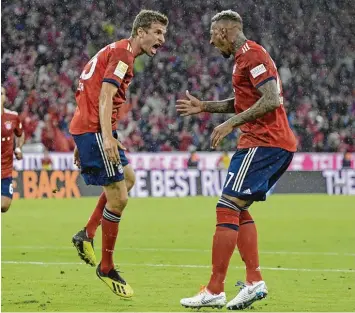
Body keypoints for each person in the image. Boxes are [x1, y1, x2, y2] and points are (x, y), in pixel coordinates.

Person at [176, 10, 297, 310]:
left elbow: (271, 99)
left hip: (264, 142)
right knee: (237, 209)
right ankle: (254, 281)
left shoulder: (251, 55)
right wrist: (205, 106)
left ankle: (216, 289)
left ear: (226, 31)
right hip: (265, 143)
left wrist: (231, 123)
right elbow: (243, 101)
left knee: (226, 206)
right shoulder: (244, 58)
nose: (210, 40)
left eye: (213, 34)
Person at [69, 10, 168, 298]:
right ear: (140, 32)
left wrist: (84, 137)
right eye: (158, 33)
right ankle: (107, 266)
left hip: (90, 129)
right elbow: (104, 95)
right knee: (120, 198)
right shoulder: (124, 56)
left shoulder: (117, 51)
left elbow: (89, 91)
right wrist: (106, 137)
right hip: (95, 131)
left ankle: (86, 233)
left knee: (129, 179)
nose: (162, 39)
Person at [1, 87, 25, 213]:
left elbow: (20, 134)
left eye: (1, 94)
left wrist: (18, 148)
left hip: (5, 170)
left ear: (4, 98)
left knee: (4, 206)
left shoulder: (13, 117)